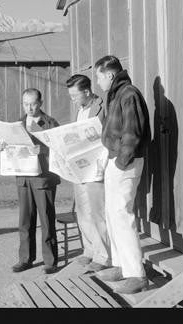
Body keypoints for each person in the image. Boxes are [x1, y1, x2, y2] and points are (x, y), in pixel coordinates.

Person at [94, 55, 151, 294]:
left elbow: (133, 133)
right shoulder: (117, 94)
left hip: (124, 163)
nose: (97, 82)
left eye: (98, 77)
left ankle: (136, 275)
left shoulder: (128, 94)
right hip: (115, 160)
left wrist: (121, 161)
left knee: (122, 214)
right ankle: (120, 265)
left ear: (109, 75)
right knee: (113, 214)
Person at [0, 88, 60, 274]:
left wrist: (43, 150)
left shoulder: (50, 123)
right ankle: (25, 259)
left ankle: (50, 261)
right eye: (26, 104)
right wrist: (3, 146)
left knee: (47, 220)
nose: (29, 108)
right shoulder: (17, 124)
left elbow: (60, 148)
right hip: (23, 178)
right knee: (25, 221)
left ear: (40, 103)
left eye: (33, 103)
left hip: (43, 179)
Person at [66, 74, 111, 273]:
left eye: (75, 96)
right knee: (82, 212)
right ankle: (89, 250)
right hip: (79, 168)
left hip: (95, 168)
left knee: (97, 213)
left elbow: (108, 135)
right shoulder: (79, 110)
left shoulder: (103, 106)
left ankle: (103, 256)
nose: (73, 100)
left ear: (87, 92)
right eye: (71, 96)